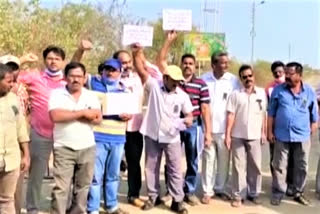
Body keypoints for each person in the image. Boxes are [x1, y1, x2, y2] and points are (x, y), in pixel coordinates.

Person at [132, 44, 193, 214]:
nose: (175, 83)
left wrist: (187, 120)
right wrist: (136, 52)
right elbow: (139, 68)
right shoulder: (153, 87)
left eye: (177, 81)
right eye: (172, 80)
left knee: (175, 169)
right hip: (152, 135)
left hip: (172, 137)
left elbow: (189, 114)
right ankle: (153, 196)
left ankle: (177, 200)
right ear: (165, 78)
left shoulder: (182, 95)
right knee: (151, 167)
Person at [157, 31, 211, 206]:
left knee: (192, 159)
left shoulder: (201, 84)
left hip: (192, 126)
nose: (187, 66)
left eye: (190, 63)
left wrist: (208, 132)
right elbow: (161, 61)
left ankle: (189, 190)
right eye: (185, 63)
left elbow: (205, 108)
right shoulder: (174, 80)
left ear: (195, 66)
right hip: (172, 127)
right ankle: (171, 190)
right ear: (180, 65)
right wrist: (168, 41)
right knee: (171, 160)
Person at [49, 62, 102, 213]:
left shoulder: (91, 95)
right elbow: (55, 116)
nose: (76, 79)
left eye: (79, 76)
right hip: (63, 147)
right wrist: (83, 113)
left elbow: (97, 118)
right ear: (65, 77)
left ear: (85, 78)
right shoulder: (57, 94)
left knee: (83, 187)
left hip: (87, 147)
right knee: (61, 188)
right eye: (72, 76)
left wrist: (70, 114)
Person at [268, 62, 318, 206]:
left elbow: (314, 115)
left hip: (302, 136)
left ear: (299, 75)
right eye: (286, 73)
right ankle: (278, 192)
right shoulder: (278, 90)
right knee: (279, 165)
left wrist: (312, 128)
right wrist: (269, 131)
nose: (287, 76)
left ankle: (298, 192)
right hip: (281, 134)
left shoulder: (309, 91)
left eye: (290, 74)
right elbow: (271, 113)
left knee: (302, 165)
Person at [87, 58, 131, 214]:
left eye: (113, 70)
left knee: (113, 175)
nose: (110, 72)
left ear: (120, 72)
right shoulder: (93, 84)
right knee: (95, 176)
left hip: (118, 138)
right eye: (107, 69)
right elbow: (73, 71)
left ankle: (111, 205)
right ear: (102, 70)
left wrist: (128, 115)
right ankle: (92, 208)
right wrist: (81, 50)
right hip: (97, 137)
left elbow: (131, 110)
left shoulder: (126, 90)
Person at [225, 64, 267, 207]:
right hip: (238, 136)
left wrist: (263, 132)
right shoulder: (235, 94)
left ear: (253, 76)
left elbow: (264, 115)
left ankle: (254, 193)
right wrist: (228, 135)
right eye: (244, 77)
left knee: (255, 166)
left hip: (255, 136)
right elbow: (230, 115)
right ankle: (238, 195)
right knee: (238, 167)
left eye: (250, 76)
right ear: (241, 79)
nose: (248, 79)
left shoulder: (261, 93)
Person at [200, 52, 240, 204]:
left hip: (226, 130)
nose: (226, 65)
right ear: (213, 65)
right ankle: (207, 191)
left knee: (224, 162)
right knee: (208, 160)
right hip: (208, 129)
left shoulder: (233, 81)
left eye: (227, 62)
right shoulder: (204, 79)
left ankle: (220, 188)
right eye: (223, 62)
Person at [0, 54, 36, 214]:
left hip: (11, 159)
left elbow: (21, 128)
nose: (12, 85)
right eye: (8, 82)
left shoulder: (14, 99)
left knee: (7, 200)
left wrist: (26, 155)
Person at [113, 50, 145, 207]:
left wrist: (138, 52)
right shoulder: (110, 79)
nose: (125, 66)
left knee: (134, 163)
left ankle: (133, 194)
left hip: (134, 128)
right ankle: (110, 197)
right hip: (114, 128)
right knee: (112, 164)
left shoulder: (139, 78)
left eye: (128, 62)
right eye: (122, 63)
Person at [265, 61, 294, 196]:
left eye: (280, 72)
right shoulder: (270, 89)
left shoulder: (294, 86)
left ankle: (290, 184)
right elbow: (268, 111)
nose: (278, 74)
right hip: (275, 129)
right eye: (275, 72)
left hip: (292, 130)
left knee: (291, 158)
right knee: (275, 159)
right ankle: (277, 184)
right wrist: (268, 130)